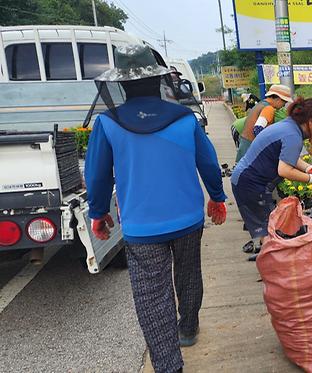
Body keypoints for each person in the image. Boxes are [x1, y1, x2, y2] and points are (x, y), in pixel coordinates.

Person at [84, 45, 226, 373]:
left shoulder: (108, 123)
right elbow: (207, 162)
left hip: (140, 228)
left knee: (152, 297)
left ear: (121, 84)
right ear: (158, 81)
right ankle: (188, 328)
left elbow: (97, 174)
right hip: (188, 220)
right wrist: (216, 197)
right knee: (188, 274)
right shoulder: (185, 118)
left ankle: (168, 364)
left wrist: (98, 213)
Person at [231, 97, 312, 260]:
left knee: (267, 229)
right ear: (310, 121)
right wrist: (311, 179)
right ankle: (276, 271)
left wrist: (307, 167)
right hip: (251, 183)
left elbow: (286, 156)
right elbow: (284, 170)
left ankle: (272, 267)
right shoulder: (292, 135)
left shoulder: (287, 127)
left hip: (245, 180)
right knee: (269, 233)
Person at [235, 85, 292, 162]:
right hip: (251, 146)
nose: (283, 105)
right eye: (284, 102)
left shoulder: (261, 104)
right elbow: (258, 128)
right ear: (278, 99)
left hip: (245, 143)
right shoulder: (269, 108)